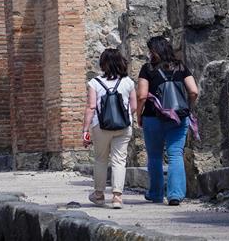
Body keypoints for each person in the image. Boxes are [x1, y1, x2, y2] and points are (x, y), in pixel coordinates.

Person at [137, 36, 199, 206]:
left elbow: (142, 95)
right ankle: (175, 195)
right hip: (179, 117)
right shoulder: (181, 67)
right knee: (175, 154)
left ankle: (156, 194)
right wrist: (188, 107)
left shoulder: (147, 69)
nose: (149, 53)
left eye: (150, 50)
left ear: (154, 51)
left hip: (152, 117)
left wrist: (139, 115)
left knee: (155, 156)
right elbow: (193, 91)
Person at [82, 48, 137, 209]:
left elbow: (91, 107)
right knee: (120, 160)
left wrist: (85, 130)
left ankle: (99, 195)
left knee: (100, 159)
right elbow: (134, 106)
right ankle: (117, 197)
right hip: (124, 126)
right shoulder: (128, 82)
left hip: (101, 126)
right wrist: (123, 116)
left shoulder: (95, 83)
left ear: (103, 64)